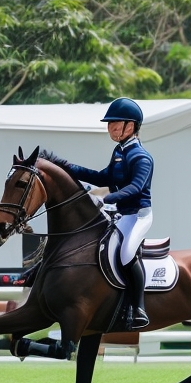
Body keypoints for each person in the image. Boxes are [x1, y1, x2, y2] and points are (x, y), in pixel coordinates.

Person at [65, 97, 154, 330]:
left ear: (131, 126)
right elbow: (104, 177)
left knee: (125, 253)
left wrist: (108, 198)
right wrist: (72, 169)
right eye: (110, 124)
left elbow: (136, 187)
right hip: (122, 214)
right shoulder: (119, 151)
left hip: (138, 215)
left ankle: (139, 308)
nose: (111, 128)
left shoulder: (141, 157)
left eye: (116, 123)